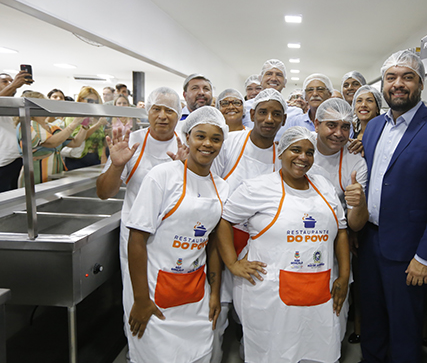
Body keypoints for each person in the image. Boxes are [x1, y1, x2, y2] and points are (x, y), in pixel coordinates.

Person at [359, 50, 427, 362]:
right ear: (383, 84)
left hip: (409, 250)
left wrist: (426, 257)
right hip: (370, 241)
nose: (398, 84)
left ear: (420, 84)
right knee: (372, 321)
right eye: (391, 77)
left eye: (407, 77)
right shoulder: (374, 127)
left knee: (405, 329)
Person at [216, 126, 350, 363]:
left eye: (309, 152)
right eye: (295, 150)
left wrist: (344, 276)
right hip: (268, 292)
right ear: (281, 151)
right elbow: (224, 220)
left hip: (318, 288)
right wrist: (232, 263)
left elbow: (340, 230)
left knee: (317, 348)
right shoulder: (258, 187)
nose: (303, 157)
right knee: (273, 351)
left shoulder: (323, 186)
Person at [125, 106, 229, 363]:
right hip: (154, 294)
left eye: (215, 139)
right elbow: (137, 239)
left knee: (198, 355)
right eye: (200, 136)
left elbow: (213, 245)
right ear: (187, 138)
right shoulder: (162, 176)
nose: (207, 144)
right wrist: (140, 300)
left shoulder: (221, 187)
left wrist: (214, 293)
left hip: (196, 295)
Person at [96, 88, 185, 342]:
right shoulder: (130, 141)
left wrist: (185, 168)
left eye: (170, 110)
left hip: (175, 238)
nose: (162, 116)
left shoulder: (186, 144)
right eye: (157, 109)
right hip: (137, 240)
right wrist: (117, 165)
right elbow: (104, 193)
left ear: (179, 115)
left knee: (174, 302)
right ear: (148, 112)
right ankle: (136, 351)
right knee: (136, 298)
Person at [210, 88, 288, 362]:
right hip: (223, 238)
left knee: (257, 316)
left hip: (261, 248)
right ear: (252, 114)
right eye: (263, 112)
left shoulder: (283, 154)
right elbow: (210, 185)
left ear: (284, 119)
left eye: (276, 114)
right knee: (217, 311)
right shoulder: (230, 143)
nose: (269, 119)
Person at [309, 98, 369, 343]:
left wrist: (359, 203)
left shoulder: (355, 162)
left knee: (331, 315)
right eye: (331, 125)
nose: (339, 133)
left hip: (334, 247)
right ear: (316, 124)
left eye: (345, 127)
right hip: (293, 240)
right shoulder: (300, 147)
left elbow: (355, 224)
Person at [14, 91, 86, 184]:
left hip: (55, 176)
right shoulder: (27, 125)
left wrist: (85, 126)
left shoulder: (52, 127)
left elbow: (76, 143)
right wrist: (74, 123)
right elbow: (52, 142)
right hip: (35, 178)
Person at [0, 71, 33, 191]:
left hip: (18, 160)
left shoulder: (15, 105)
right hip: (3, 162)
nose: (9, 83)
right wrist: (14, 85)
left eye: (11, 81)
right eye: (5, 81)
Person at [63, 87, 107, 170]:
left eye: (96, 101)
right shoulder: (73, 117)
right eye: (90, 101)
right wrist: (98, 125)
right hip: (77, 158)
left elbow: (101, 141)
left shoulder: (97, 117)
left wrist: (103, 156)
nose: (93, 104)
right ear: (80, 99)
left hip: (95, 158)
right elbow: (77, 140)